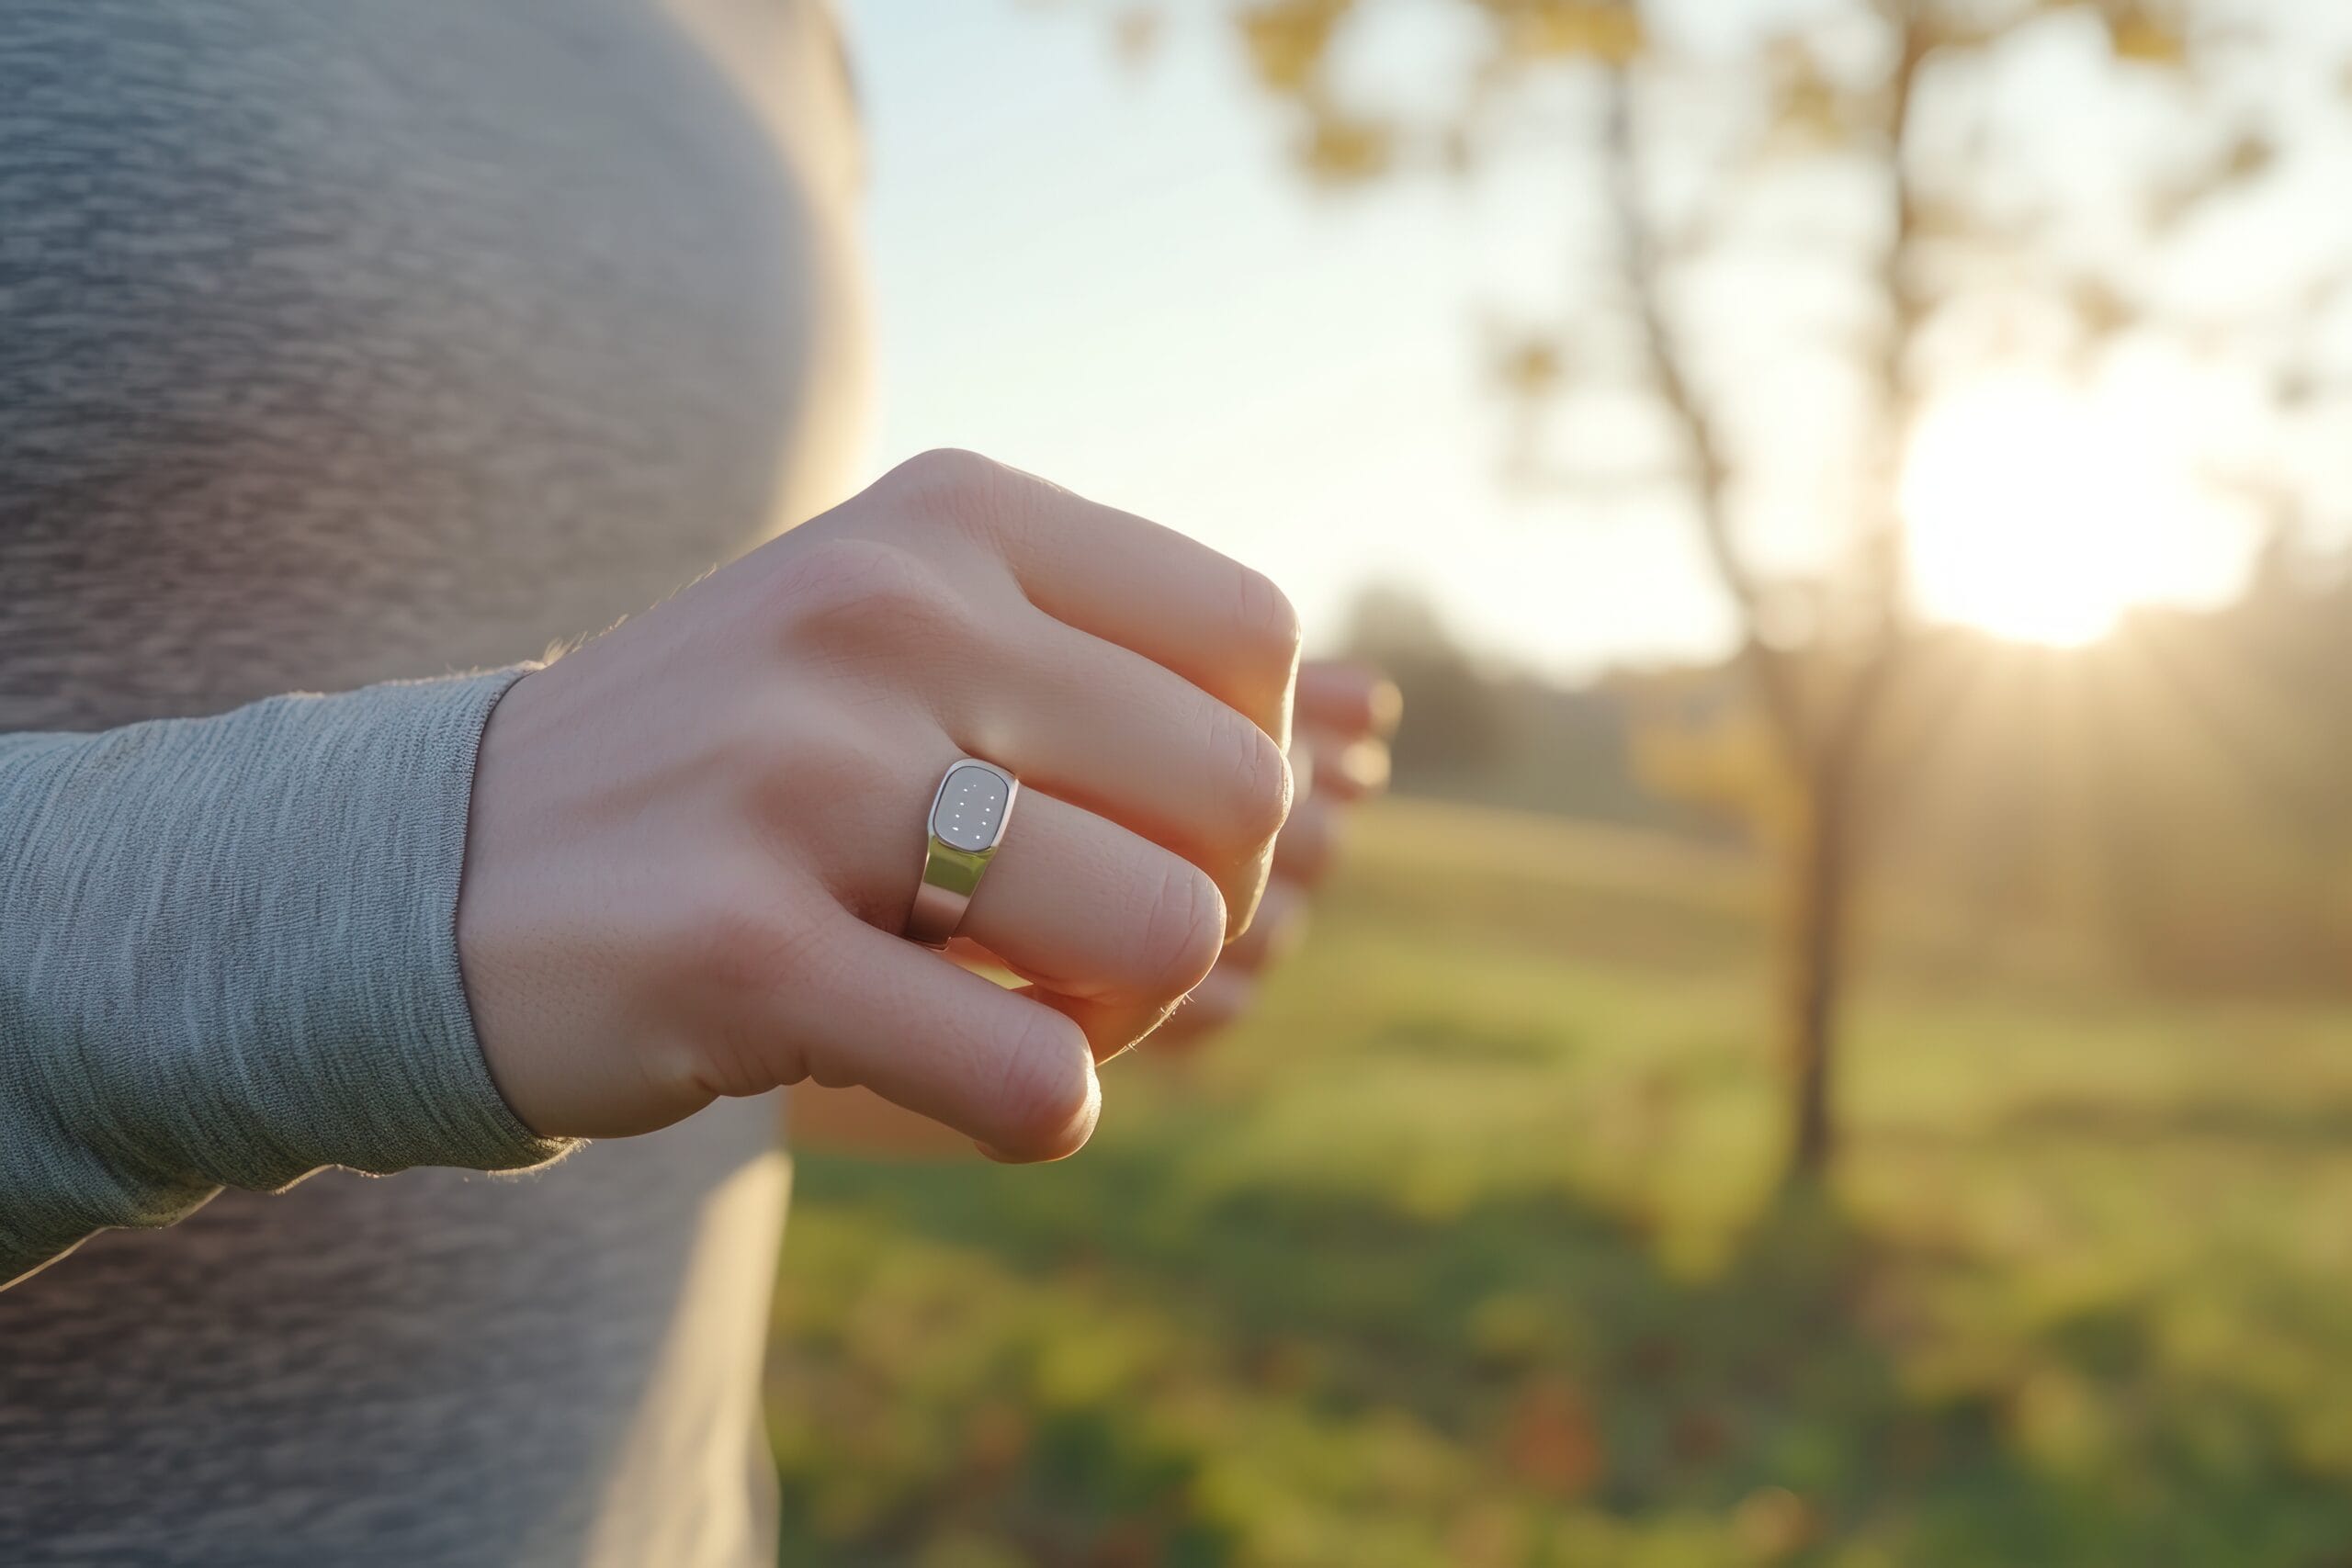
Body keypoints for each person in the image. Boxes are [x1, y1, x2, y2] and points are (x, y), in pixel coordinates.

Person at [0, 3, 1394, 1564]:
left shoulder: (799, 50)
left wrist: (969, 955)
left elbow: (625, 940)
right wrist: (394, 870)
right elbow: (497, 887)